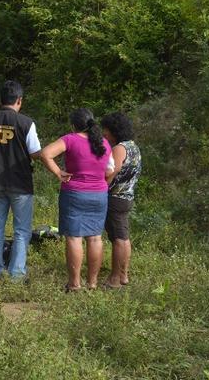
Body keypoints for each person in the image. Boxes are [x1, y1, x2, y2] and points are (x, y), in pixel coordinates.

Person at [41, 108, 113, 291]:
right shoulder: (104, 143)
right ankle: (93, 283)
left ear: (73, 125)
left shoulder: (70, 139)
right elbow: (110, 171)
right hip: (99, 195)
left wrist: (58, 172)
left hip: (75, 194)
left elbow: (45, 153)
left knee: (74, 238)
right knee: (95, 238)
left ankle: (74, 284)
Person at [0, 80, 42, 280]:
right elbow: (36, 152)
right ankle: (16, 274)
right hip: (21, 184)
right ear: (19, 100)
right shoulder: (26, 123)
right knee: (21, 230)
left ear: (1, 100)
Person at [101, 112, 142, 288]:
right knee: (124, 237)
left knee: (118, 239)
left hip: (116, 197)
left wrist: (100, 182)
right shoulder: (134, 147)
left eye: (106, 130)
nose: (104, 134)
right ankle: (124, 275)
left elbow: (110, 173)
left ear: (114, 131)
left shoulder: (119, 149)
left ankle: (114, 278)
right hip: (127, 197)